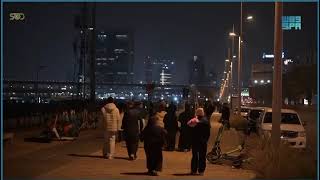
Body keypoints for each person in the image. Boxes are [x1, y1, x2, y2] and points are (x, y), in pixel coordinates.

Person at [188, 108, 211, 176]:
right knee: (202, 156)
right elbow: (208, 133)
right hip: (203, 141)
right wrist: (205, 139)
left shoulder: (194, 121)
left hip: (195, 141)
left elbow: (190, 131)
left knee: (195, 156)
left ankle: (193, 170)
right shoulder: (206, 121)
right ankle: (201, 171)